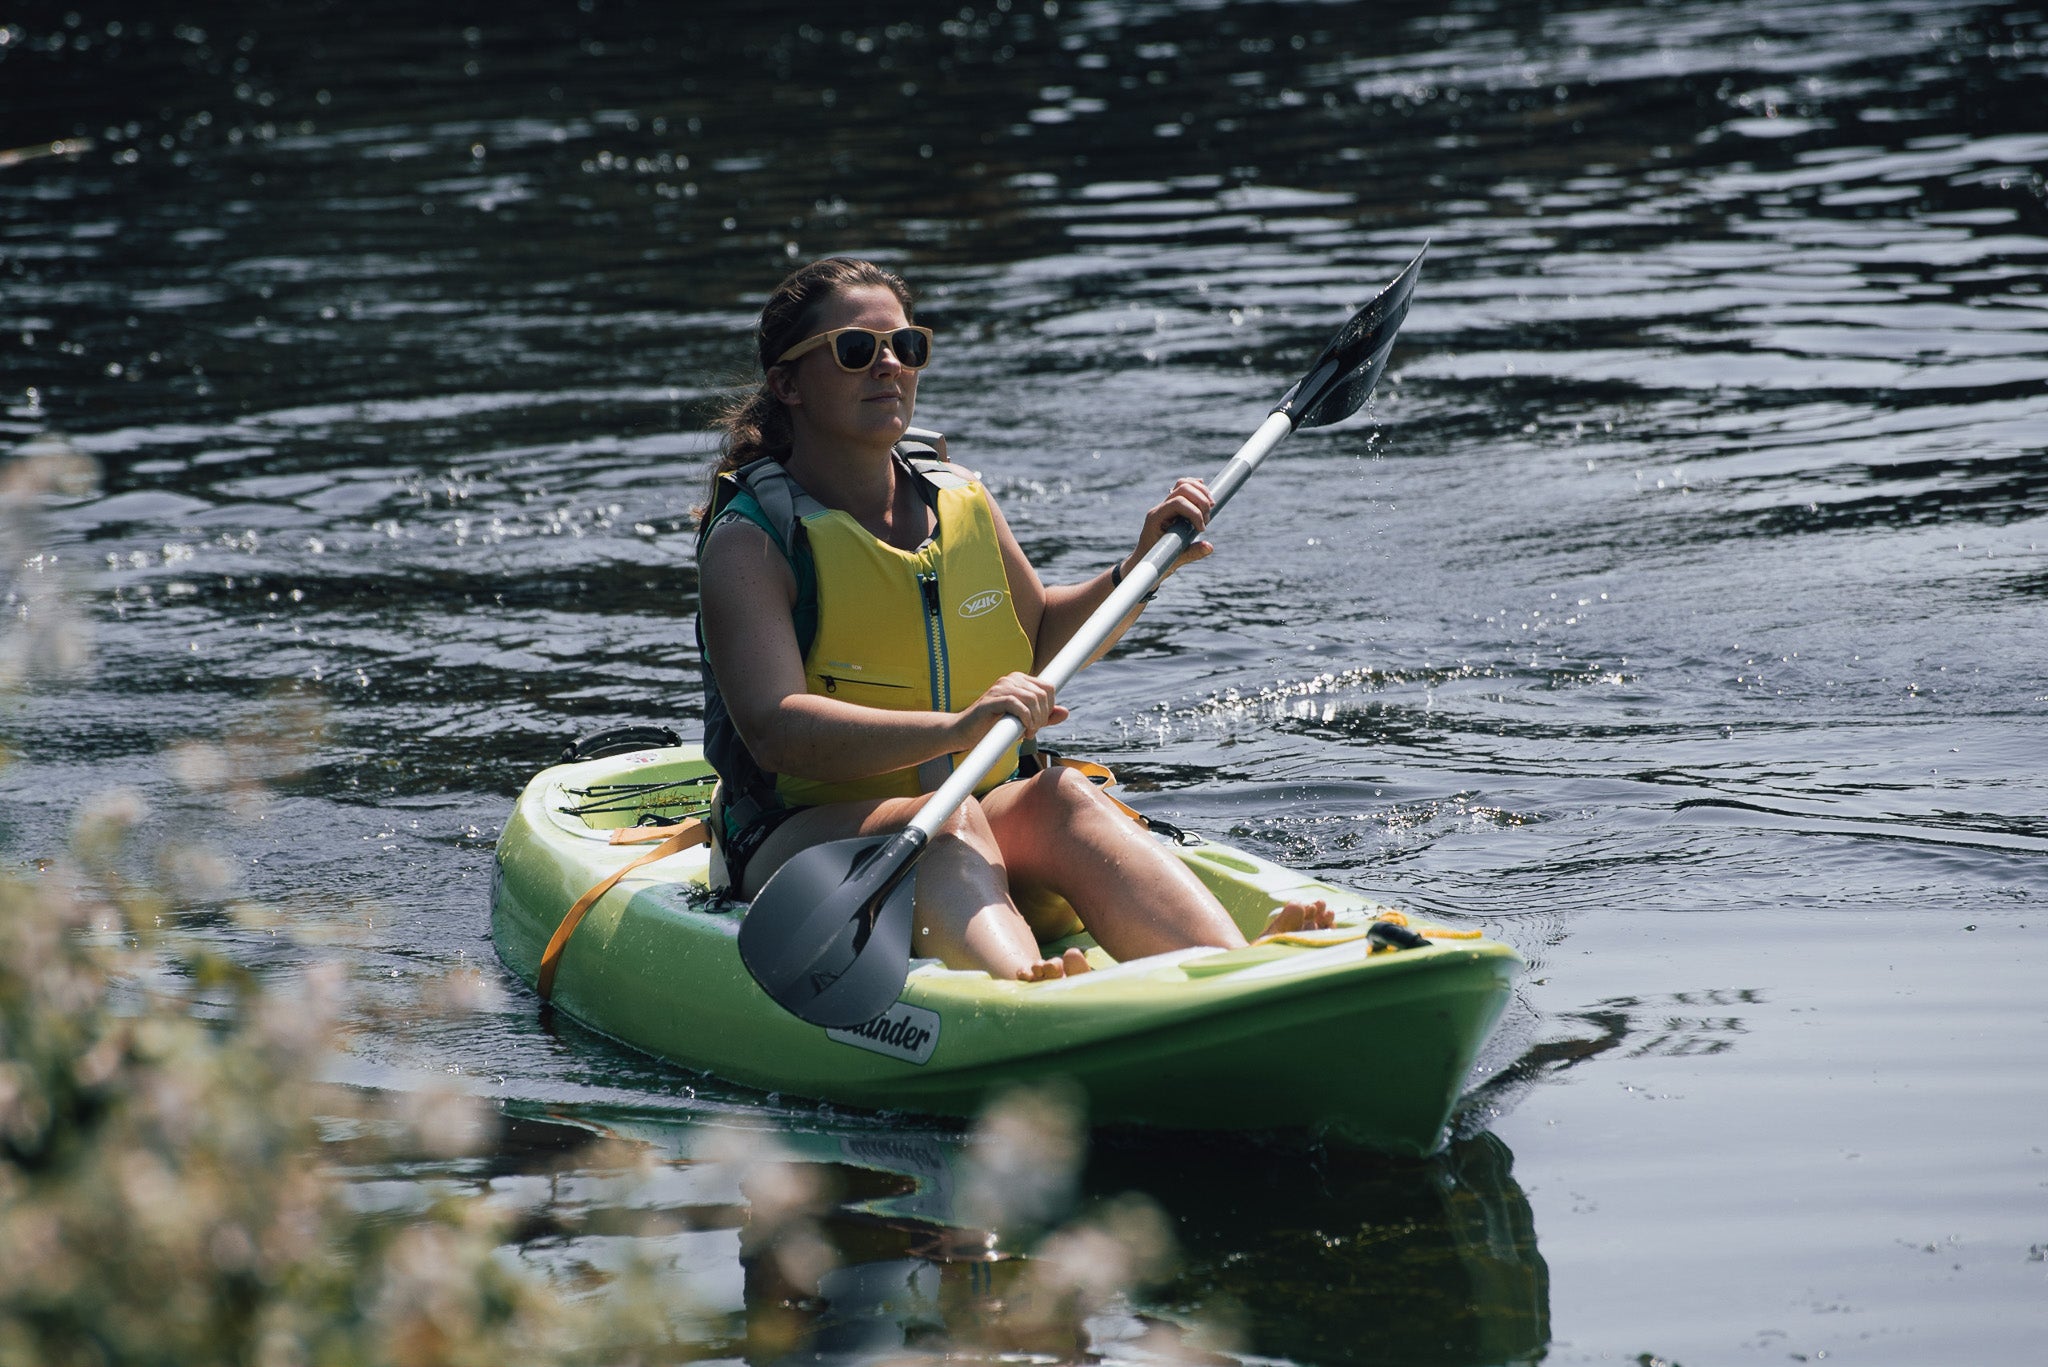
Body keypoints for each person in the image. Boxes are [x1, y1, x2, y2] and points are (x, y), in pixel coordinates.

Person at [696, 257, 1330, 983]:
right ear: (787, 384)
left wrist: (1135, 571)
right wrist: (959, 727)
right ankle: (1028, 993)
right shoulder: (751, 540)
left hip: (964, 809)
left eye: (907, 347)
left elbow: (1039, 638)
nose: (889, 367)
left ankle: (1234, 971)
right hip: (799, 837)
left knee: (1063, 795)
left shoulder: (959, 500)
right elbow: (778, 732)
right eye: (855, 350)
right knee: (946, 818)